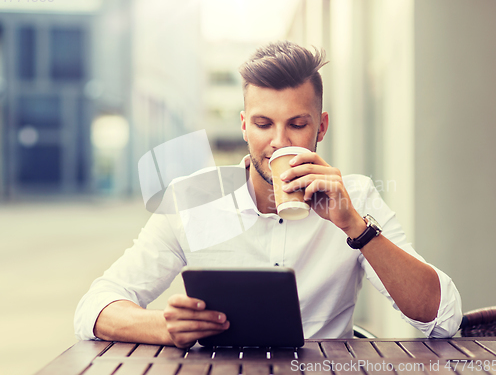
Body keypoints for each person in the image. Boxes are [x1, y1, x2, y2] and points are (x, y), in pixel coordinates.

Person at [75, 41, 462, 348]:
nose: (278, 143)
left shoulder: (355, 196)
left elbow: (443, 318)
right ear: (244, 125)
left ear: (321, 127)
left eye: (297, 124)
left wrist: (355, 227)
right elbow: (93, 308)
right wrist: (162, 325)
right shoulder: (192, 198)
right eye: (263, 124)